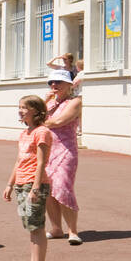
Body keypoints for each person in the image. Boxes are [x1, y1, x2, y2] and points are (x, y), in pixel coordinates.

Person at [4, 95, 53, 261]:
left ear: (36, 110)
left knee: (37, 227)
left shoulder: (42, 132)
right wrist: (10, 184)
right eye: (20, 107)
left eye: (24, 107)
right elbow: (19, 161)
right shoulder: (25, 134)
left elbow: (41, 163)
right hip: (21, 184)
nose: (20, 110)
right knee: (30, 226)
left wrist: (35, 187)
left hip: (33, 184)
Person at [42, 69, 83, 244]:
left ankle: (72, 231)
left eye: (58, 82)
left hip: (66, 149)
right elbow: (29, 115)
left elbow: (58, 122)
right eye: (51, 82)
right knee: (48, 190)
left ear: (69, 85)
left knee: (63, 186)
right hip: (47, 149)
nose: (54, 85)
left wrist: (39, 120)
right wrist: (44, 101)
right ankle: (56, 228)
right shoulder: (49, 104)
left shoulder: (75, 102)